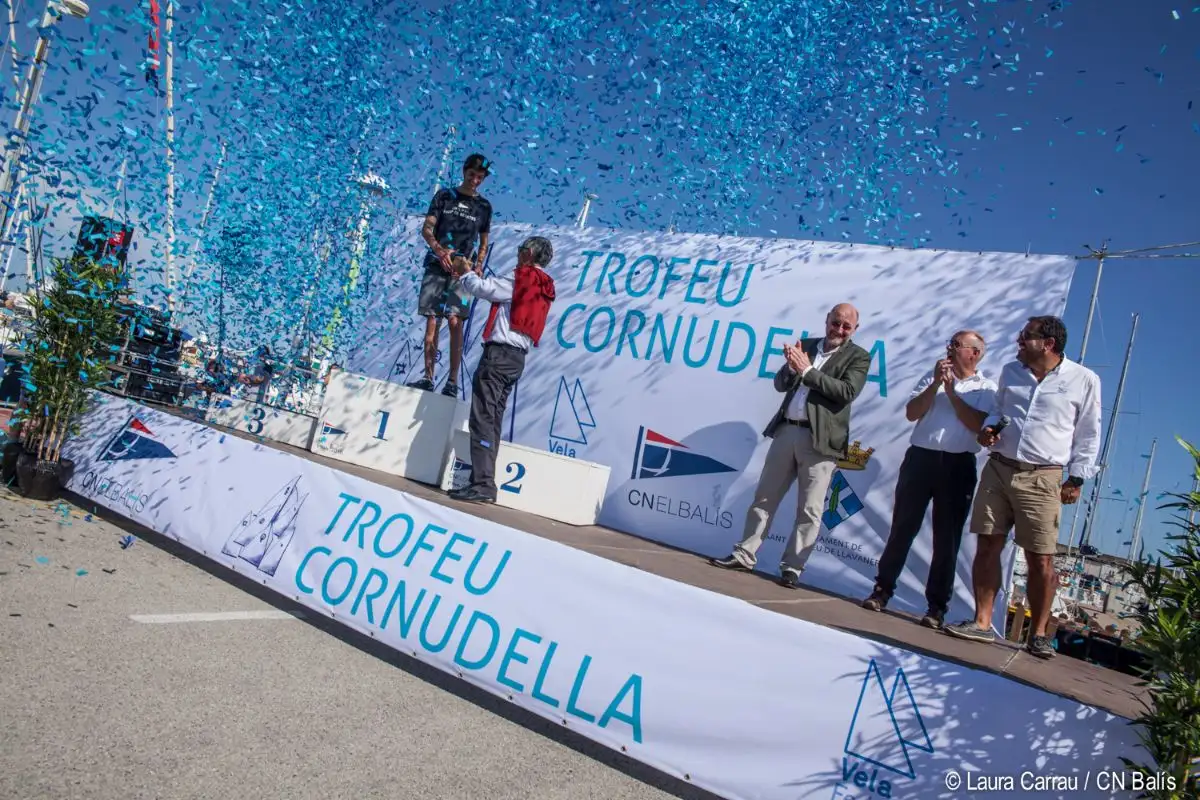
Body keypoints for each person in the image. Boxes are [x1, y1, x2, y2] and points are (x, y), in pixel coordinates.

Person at [945, 315, 1101, 659]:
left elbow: (1089, 433)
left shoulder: (1084, 380)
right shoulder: (1010, 372)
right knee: (987, 544)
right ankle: (982, 622)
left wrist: (1076, 478)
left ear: (1047, 344)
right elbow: (997, 410)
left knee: (1040, 558)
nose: (1018, 341)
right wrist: (988, 428)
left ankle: (1040, 634)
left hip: (1044, 476)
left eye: (1025, 336)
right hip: (999, 467)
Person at [710, 303, 872, 588]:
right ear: (827, 321)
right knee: (765, 497)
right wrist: (790, 366)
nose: (840, 330)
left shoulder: (858, 357)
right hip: (788, 430)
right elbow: (781, 385)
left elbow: (846, 392)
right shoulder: (807, 345)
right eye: (836, 323)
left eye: (847, 326)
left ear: (855, 330)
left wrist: (807, 370)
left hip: (821, 441)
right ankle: (744, 553)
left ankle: (793, 567)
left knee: (810, 509)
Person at [862, 330, 997, 629]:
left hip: (957, 464)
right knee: (902, 527)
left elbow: (979, 426)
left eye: (956, 345)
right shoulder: (933, 375)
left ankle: (936, 607)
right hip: (921, 458)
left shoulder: (987, 388)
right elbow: (912, 413)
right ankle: (882, 590)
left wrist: (951, 393)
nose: (949, 349)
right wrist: (936, 383)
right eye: (950, 343)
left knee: (946, 539)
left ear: (974, 354)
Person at [446, 239, 556, 504]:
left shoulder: (522, 276)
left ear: (528, 254)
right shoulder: (545, 284)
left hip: (499, 354)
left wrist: (465, 271)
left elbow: (484, 289)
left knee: (483, 418)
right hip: (517, 358)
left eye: (520, 251)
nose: (517, 256)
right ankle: (483, 481)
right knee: (492, 420)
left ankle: (483, 484)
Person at [408, 153, 494, 398]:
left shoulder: (484, 207)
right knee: (433, 319)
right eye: (472, 175)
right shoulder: (444, 195)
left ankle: (452, 382)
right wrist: (439, 250)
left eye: (480, 177)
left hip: (463, 271)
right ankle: (428, 377)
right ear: (464, 171)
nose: (475, 180)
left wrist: (477, 266)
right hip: (437, 265)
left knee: (456, 321)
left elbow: (484, 242)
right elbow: (427, 228)